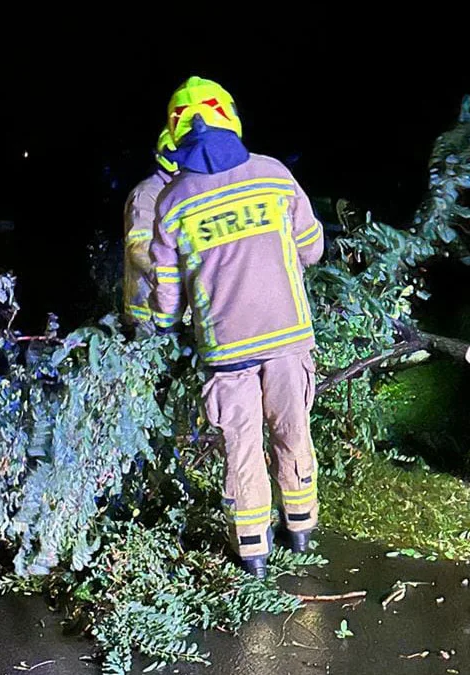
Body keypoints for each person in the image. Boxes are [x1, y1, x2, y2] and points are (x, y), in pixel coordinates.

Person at [149, 77, 325, 577]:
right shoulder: (273, 176)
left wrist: (161, 328)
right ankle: (302, 531)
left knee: (241, 445)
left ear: (175, 131)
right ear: (230, 116)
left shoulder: (172, 202)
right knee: (293, 431)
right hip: (287, 334)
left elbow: (167, 292)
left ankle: (253, 552)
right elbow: (312, 247)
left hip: (226, 349)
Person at [122, 130, 178, 327]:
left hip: (174, 311)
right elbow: (138, 249)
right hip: (148, 315)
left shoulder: (180, 192)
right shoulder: (147, 194)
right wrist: (174, 282)